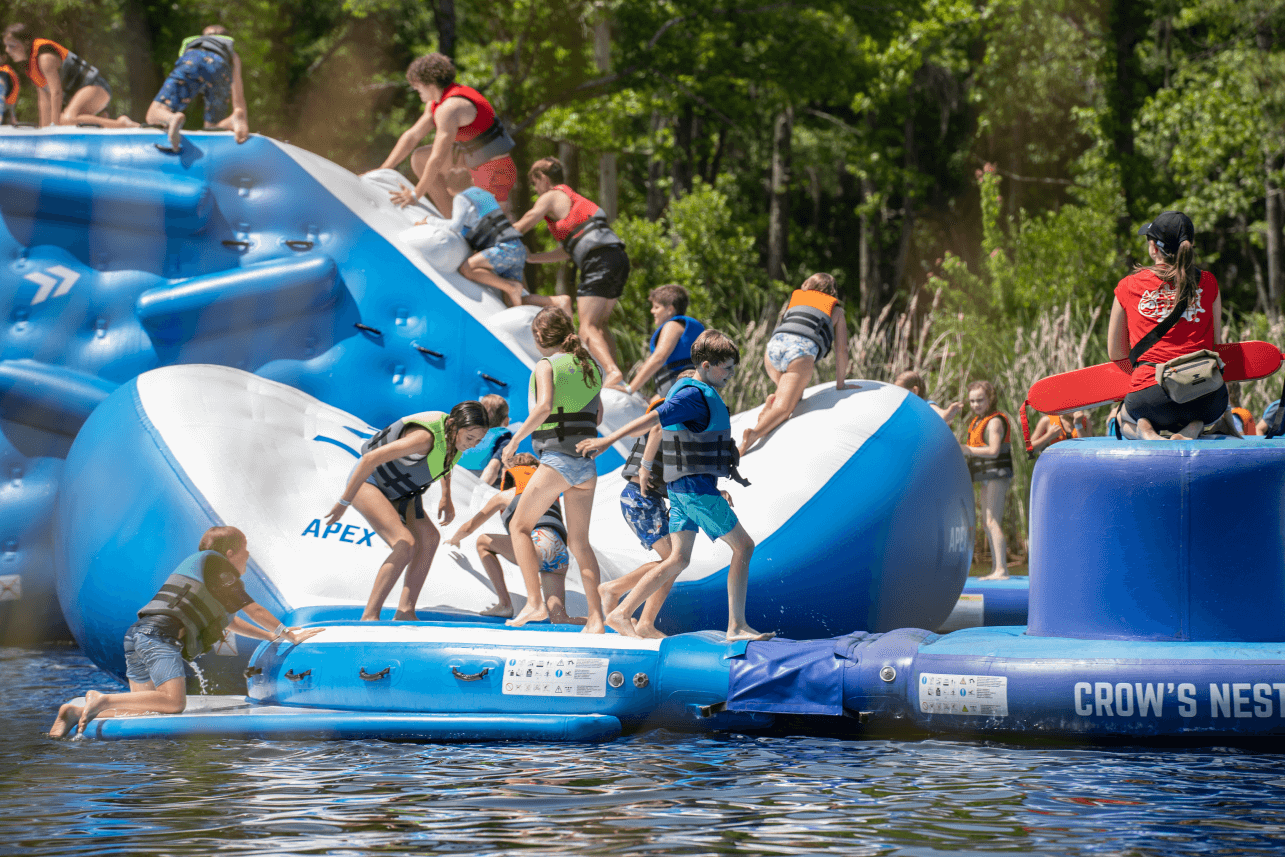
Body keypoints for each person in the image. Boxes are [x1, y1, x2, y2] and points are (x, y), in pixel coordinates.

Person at [577, 330, 772, 643]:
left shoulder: (697, 391)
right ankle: (736, 626)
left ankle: (622, 612)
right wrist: (608, 439)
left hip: (683, 490)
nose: (731, 375)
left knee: (678, 559)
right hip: (693, 489)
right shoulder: (693, 395)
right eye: (727, 368)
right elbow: (654, 420)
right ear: (706, 366)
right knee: (744, 547)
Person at [49, 526, 322, 737]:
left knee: (144, 710)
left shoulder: (207, 576)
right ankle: (102, 698)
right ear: (229, 554)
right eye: (245, 550)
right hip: (159, 637)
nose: (248, 556)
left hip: (137, 635)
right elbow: (254, 610)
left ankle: (75, 712)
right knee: (173, 702)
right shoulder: (218, 565)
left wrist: (272, 637)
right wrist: (288, 634)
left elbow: (233, 622)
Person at [325, 401, 489, 621]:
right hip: (370, 482)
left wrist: (446, 496)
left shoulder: (453, 439)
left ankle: (405, 612)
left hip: (402, 492)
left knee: (430, 538)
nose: (472, 445)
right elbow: (369, 458)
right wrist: (343, 503)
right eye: (470, 438)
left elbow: (445, 460)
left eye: (478, 441)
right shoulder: (423, 439)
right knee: (405, 544)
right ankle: (370, 616)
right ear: (452, 424)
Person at [500, 307, 606, 631]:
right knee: (580, 544)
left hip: (557, 460)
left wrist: (515, 439)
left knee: (519, 525)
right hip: (586, 467)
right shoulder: (592, 367)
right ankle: (597, 619)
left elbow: (544, 406)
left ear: (538, 337)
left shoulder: (546, 365)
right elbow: (598, 417)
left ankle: (534, 605)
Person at [1107, 210, 1225, 441]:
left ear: (1153, 247)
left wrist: (1142, 374)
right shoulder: (1209, 282)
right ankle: (1195, 425)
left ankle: (1144, 429)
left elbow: (1116, 352)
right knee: (1209, 416)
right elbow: (1216, 344)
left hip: (1150, 393)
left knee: (1122, 418)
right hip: (1205, 392)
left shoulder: (1128, 285)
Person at [513, 157, 630, 388]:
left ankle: (612, 372)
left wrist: (499, 234)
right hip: (616, 257)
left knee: (586, 326)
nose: (536, 191)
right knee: (601, 323)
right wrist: (532, 258)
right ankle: (615, 377)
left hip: (597, 260)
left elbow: (528, 220)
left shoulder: (552, 194)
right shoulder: (569, 201)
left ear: (543, 178)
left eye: (534, 184)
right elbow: (568, 251)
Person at [598, 386, 689, 639]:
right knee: (674, 561)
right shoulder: (668, 417)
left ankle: (638, 615)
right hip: (640, 499)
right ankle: (618, 596)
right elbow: (657, 432)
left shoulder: (679, 422)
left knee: (673, 562)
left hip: (649, 500)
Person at [446, 453, 580, 623]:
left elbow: (469, 527)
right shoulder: (551, 492)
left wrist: (454, 539)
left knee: (482, 541)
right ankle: (600, 621)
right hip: (560, 554)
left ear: (511, 472)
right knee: (560, 618)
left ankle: (504, 604)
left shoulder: (505, 496)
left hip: (537, 547)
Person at [379, 53, 517, 217]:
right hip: (471, 159)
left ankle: (469, 219)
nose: (416, 90)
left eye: (417, 86)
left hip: (495, 170)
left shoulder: (450, 108)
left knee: (484, 219)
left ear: (429, 83)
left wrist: (415, 194)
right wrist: (382, 170)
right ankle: (449, 217)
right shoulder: (435, 103)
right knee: (419, 158)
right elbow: (412, 137)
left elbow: (438, 157)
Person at [421, 168, 571, 312]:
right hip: (516, 247)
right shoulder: (485, 194)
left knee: (468, 269)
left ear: (449, 189)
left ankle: (511, 287)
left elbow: (455, 226)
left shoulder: (462, 197)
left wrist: (430, 221)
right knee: (512, 302)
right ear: (472, 180)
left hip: (504, 249)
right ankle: (558, 302)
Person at [739, 273, 850, 455]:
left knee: (791, 396)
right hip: (799, 353)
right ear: (832, 292)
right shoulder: (836, 311)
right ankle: (752, 435)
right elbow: (841, 350)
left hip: (772, 351)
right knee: (785, 409)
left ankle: (771, 402)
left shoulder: (796, 300)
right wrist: (841, 385)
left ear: (807, 285)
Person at [2, 24, 136, 128]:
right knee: (63, 119)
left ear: (25, 44)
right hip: (81, 95)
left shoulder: (45, 58)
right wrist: (44, 130)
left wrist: (54, 126)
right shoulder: (30, 67)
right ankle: (103, 121)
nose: (8, 51)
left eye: (12, 46)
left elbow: (56, 93)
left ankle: (122, 123)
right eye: (6, 47)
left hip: (96, 88)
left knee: (66, 119)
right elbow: (44, 101)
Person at [145, 25, 249, 153]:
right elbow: (237, 89)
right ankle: (234, 119)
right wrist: (240, 111)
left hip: (193, 59)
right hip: (220, 65)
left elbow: (180, 75)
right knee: (212, 129)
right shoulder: (232, 55)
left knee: (154, 113)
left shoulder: (196, 45)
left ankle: (171, 118)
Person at [961, 380, 1012, 581]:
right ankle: (996, 568)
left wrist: (966, 450)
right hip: (984, 476)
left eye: (980, 400)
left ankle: (1002, 570)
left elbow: (993, 450)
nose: (975, 405)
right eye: (972, 401)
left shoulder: (994, 422)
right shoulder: (975, 422)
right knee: (986, 523)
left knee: (992, 521)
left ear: (990, 399)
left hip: (996, 475)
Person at [620, 284, 706, 398]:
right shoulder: (685, 327)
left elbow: (659, 357)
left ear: (670, 309)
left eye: (656, 307)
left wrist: (630, 389)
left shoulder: (672, 325)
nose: (652, 311)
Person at [455, 393, 513, 487]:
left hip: (456, 480)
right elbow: (493, 468)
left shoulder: (467, 432)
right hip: (482, 483)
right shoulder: (503, 438)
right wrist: (478, 492)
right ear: (505, 419)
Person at [894, 369, 962, 421]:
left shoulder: (925, 405)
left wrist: (946, 413)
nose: (896, 395)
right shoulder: (900, 408)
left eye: (900, 391)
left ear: (915, 391)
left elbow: (938, 413)